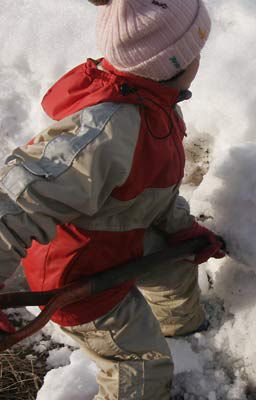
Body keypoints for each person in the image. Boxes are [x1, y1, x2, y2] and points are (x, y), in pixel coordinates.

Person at [0, 0, 224, 398]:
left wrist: (183, 233)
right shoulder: (106, 132)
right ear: (177, 62)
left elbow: (153, 192)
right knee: (141, 367)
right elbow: (18, 199)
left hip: (121, 239)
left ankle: (186, 339)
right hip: (76, 273)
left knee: (177, 265)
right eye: (197, 51)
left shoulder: (157, 104)